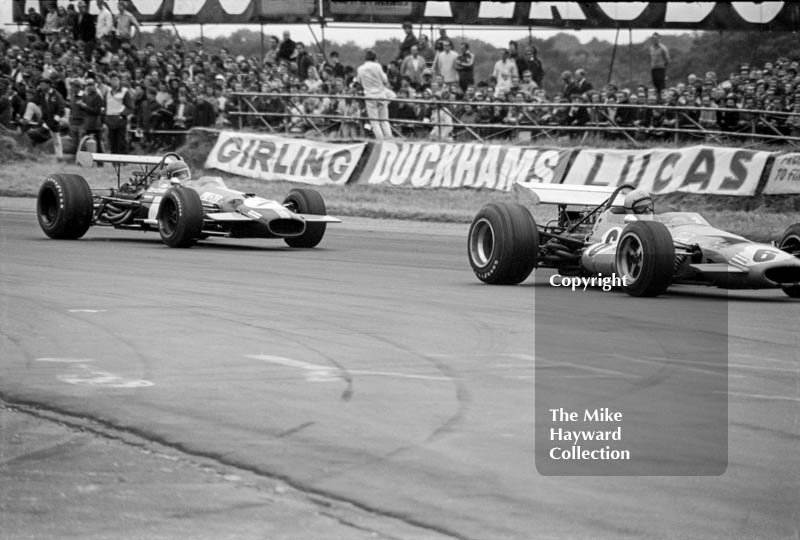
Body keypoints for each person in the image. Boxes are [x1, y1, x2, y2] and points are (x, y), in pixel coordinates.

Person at [356, 50, 393, 139]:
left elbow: (359, 82)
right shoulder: (377, 66)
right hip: (381, 95)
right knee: (384, 120)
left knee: (374, 122)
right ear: (375, 58)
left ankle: (380, 140)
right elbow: (385, 80)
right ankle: (389, 138)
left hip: (369, 96)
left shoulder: (360, 69)